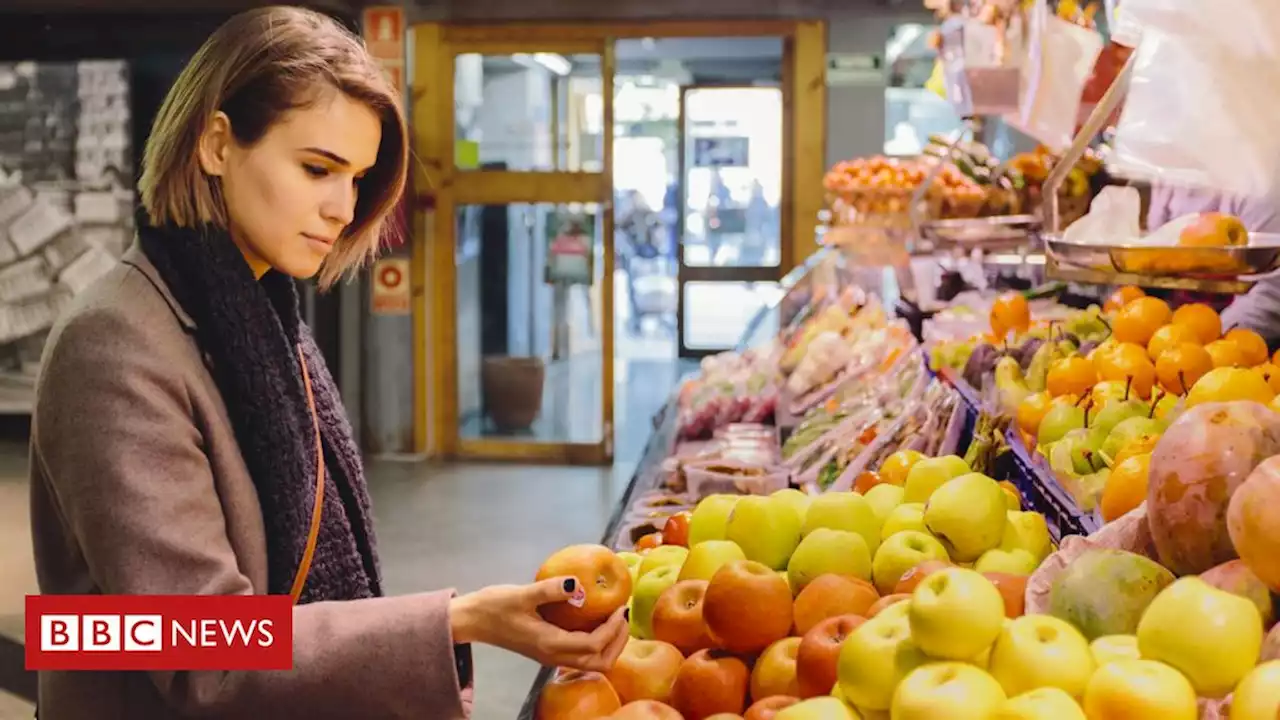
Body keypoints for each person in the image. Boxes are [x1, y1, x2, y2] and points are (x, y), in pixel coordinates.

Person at [28, 7, 628, 719]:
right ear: (217, 144)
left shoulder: (264, 316)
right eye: (318, 169)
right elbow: (196, 655)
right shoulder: (117, 344)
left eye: (358, 178)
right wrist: (457, 621)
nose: (344, 207)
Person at [1146, 184, 1280, 344]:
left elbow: (1270, 291)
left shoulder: (1260, 189)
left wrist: (1215, 341)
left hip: (1237, 339)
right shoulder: (1166, 177)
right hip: (1172, 339)